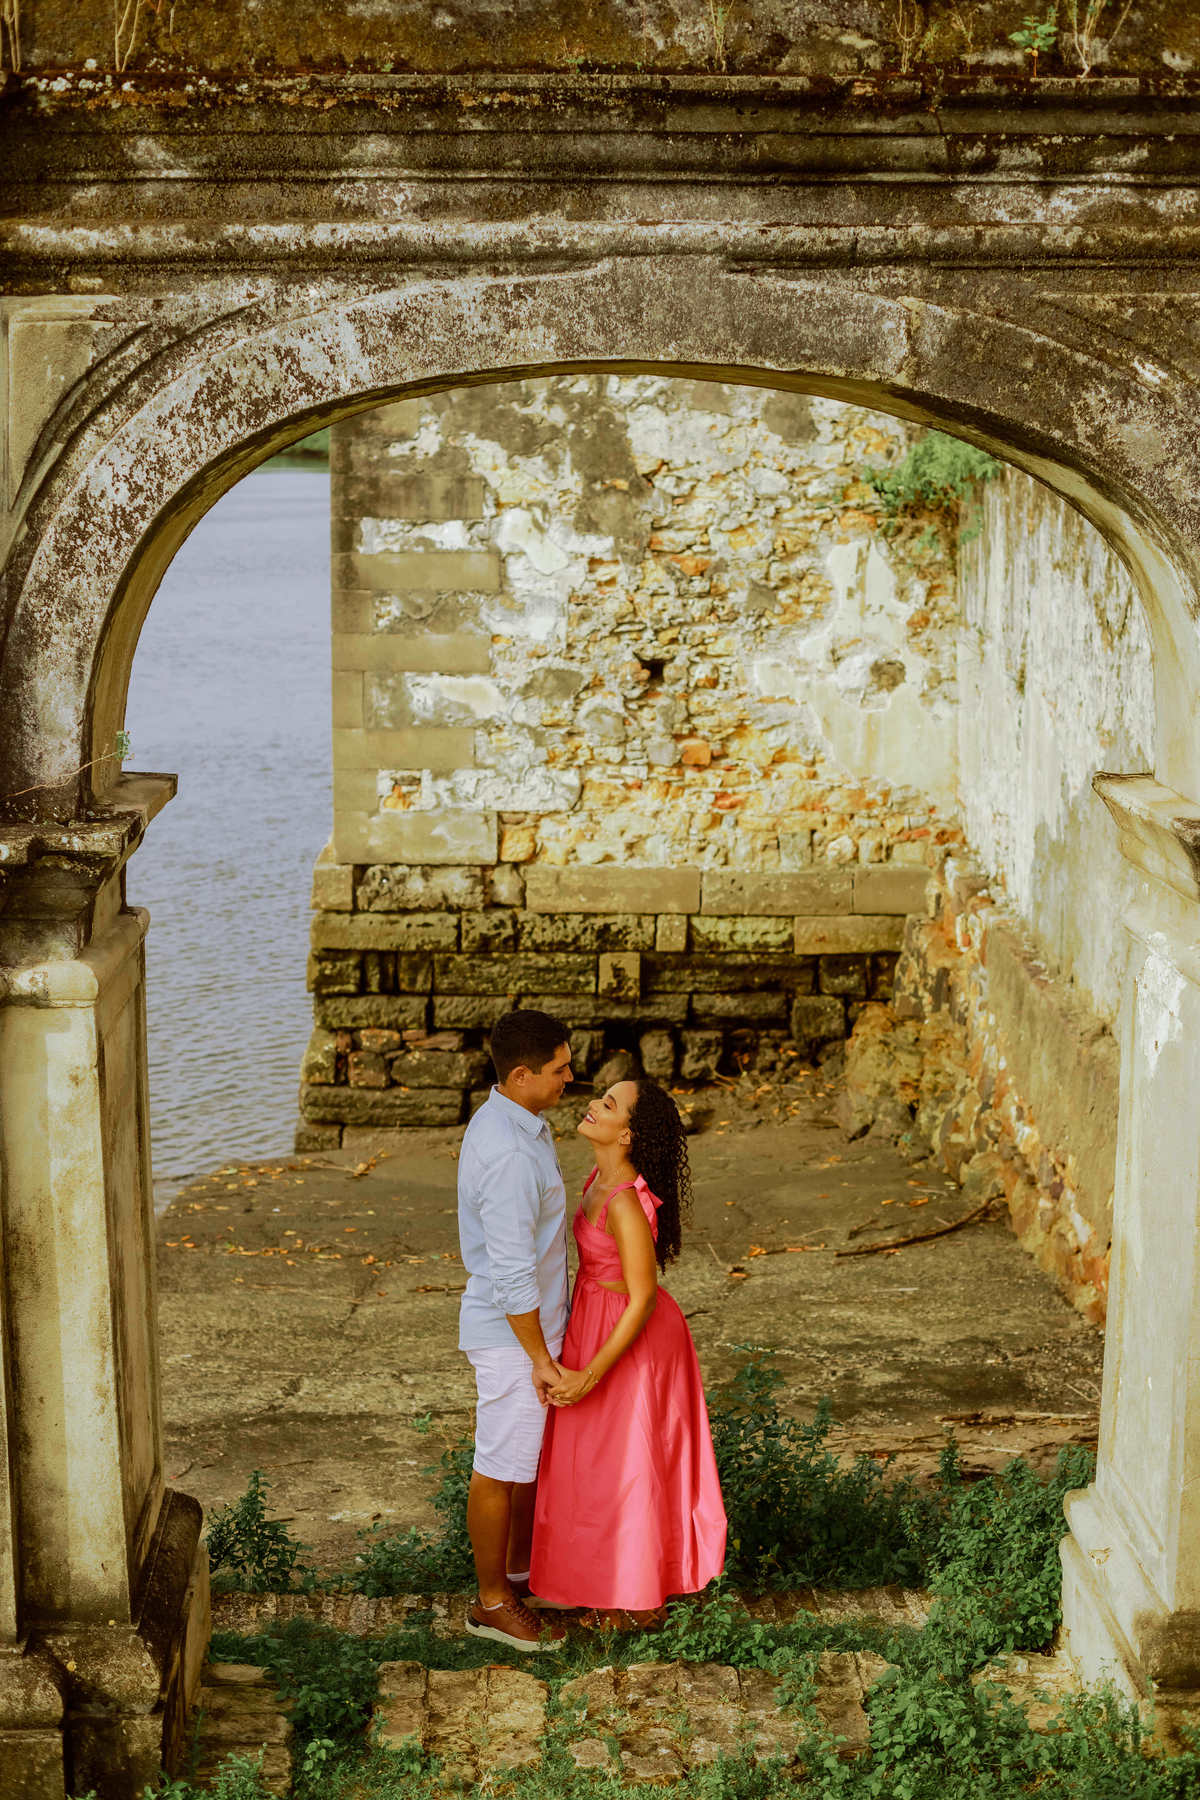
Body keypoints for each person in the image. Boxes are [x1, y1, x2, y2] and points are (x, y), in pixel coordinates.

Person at [529, 1074, 727, 1624]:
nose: (593, 1104)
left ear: (627, 1135)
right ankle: (608, 1585)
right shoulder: (597, 1178)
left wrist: (588, 1374)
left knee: (632, 1464)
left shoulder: (623, 1203)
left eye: (608, 1104)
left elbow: (641, 1298)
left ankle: (637, 1599)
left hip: (631, 1335)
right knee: (597, 1464)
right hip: (595, 1319)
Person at [457, 1008, 574, 1652]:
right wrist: (538, 1356)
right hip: (510, 1336)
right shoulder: (506, 1153)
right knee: (499, 1466)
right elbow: (510, 1273)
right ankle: (492, 1602)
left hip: (532, 1328)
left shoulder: (523, 1122)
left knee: (525, 1462)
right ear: (522, 1074)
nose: (570, 1077)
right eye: (559, 1069)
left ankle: (525, 1575)